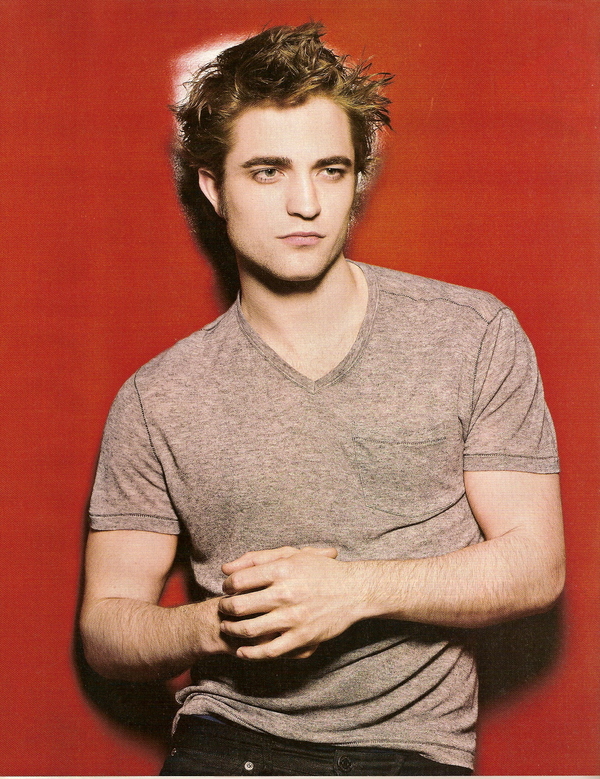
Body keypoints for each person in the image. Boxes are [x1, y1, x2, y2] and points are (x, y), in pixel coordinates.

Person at [80, 23, 565, 776]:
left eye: (330, 170)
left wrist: (352, 591)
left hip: (409, 753)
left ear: (355, 181)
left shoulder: (471, 334)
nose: (305, 203)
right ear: (213, 188)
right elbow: (107, 629)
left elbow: (536, 565)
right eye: (268, 171)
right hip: (226, 742)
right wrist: (224, 623)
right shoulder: (157, 397)